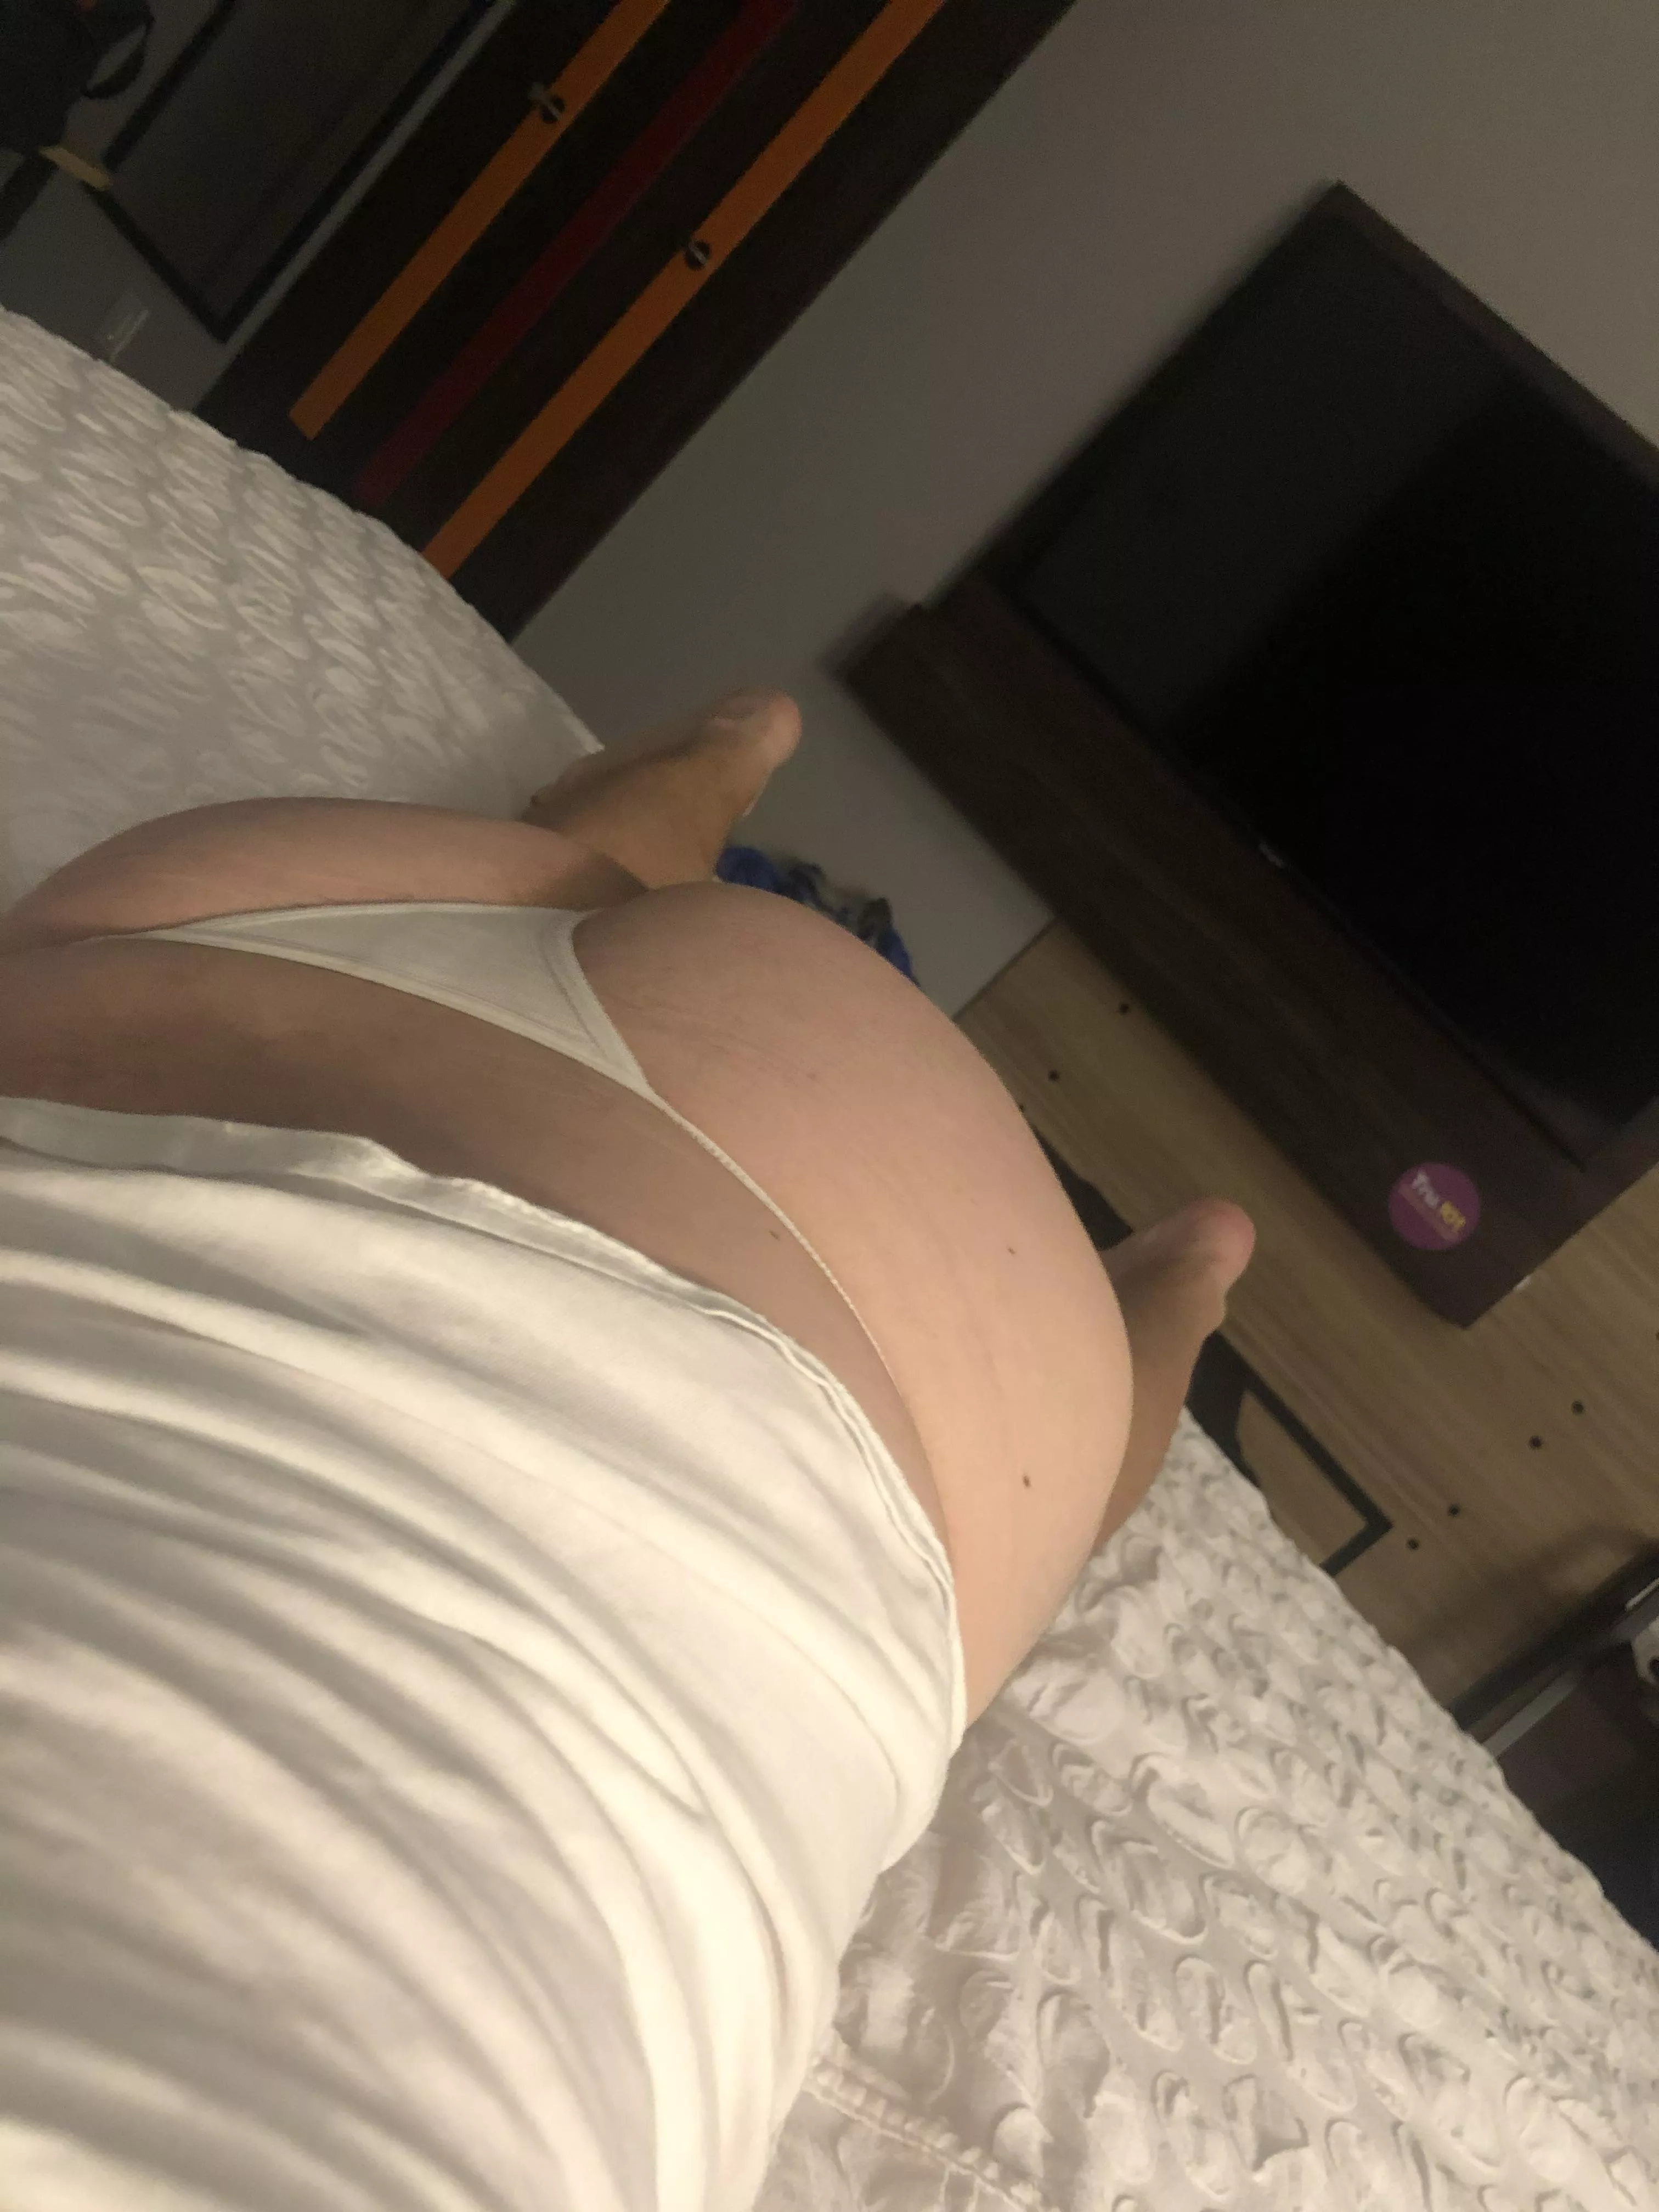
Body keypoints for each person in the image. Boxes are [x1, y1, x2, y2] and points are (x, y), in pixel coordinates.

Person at [0, 687, 1254, 2211]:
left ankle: (1178, 1289)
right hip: (158, 1011)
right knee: (594, 887)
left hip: (769, 1251)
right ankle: (703, 792)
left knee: (998, 1512)